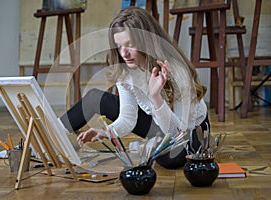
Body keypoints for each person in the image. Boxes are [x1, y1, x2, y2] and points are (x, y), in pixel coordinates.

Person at [59, 6, 210, 169]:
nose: (123, 53)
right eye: (119, 46)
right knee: (95, 98)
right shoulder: (124, 70)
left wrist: (155, 96)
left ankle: (153, 145)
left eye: (129, 45)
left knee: (168, 159)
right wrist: (105, 133)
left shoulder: (176, 70)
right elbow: (127, 119)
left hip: (189, 131)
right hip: (159, 124)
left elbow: (177, 133)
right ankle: (50, 137)